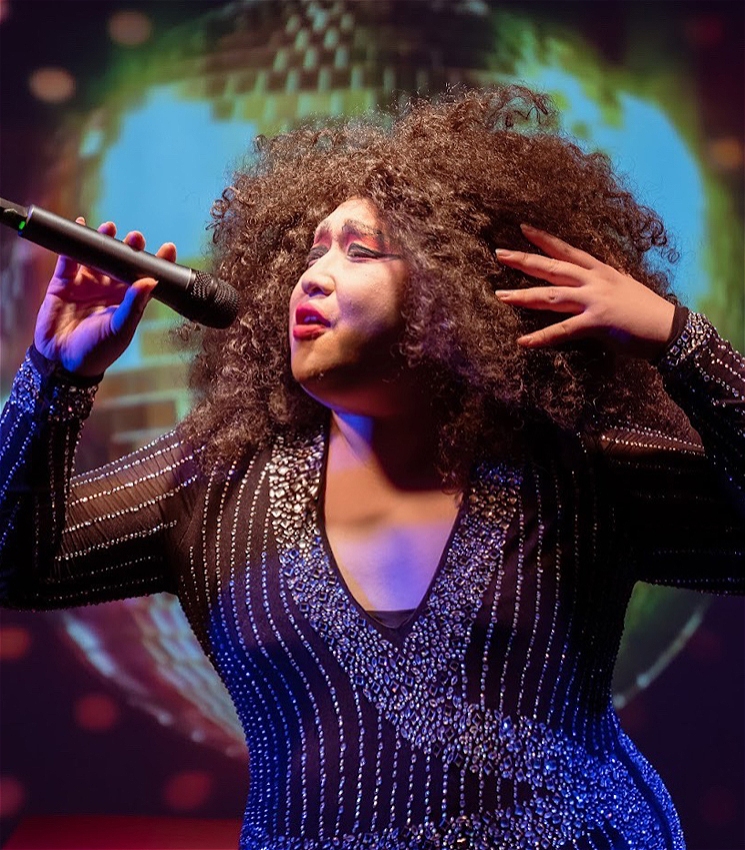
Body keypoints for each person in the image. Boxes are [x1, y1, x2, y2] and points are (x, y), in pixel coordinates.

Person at [1, 86, 743, 850]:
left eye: (357, 251)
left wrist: (680, 341)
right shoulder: (212, 478)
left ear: (460, 292)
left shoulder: (575, 473)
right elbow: (11, 566)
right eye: (311, 250)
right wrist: (54, 379)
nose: (311, 277)